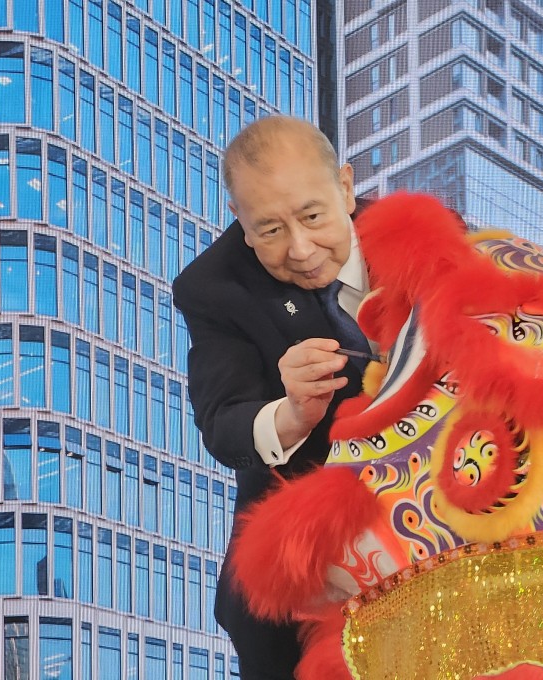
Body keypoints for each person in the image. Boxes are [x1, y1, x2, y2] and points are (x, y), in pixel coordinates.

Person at [172, 115, 371, 679]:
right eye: (271, 231)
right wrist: (290, 413)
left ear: (347, 187)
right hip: (299, 580)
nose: (302, 249)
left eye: (312, 216)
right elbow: (223, 421)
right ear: (241, 221)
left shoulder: (425, 231)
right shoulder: (212, 287)